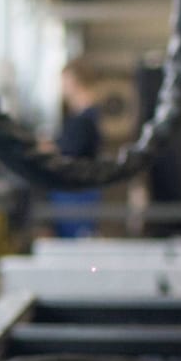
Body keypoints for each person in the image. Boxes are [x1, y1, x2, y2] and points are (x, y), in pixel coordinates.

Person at [48, 56, 105, 238]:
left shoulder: (85, 120)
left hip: (77, 194)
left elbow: (69, 152)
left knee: (77, 242)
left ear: (74, 80)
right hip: (73, 192)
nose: (62, 87)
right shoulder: (82, 117)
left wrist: (48, 148)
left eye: (64, 81)